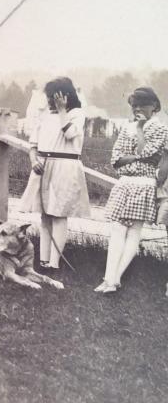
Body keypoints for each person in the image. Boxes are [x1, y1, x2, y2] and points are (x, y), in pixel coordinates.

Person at [94, 87, 168, 294]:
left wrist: (141, 130)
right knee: (117, 228)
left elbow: (149, 154)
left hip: (144, 183)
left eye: (142, 104)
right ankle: (110, 278)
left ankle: (113, 279)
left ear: (154, 106)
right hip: (125, 182)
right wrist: (136, 157)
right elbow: (116, 159)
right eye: (134, 105)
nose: (137, 109)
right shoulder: (127, 127)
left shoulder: (160, 128)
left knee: (133, 230)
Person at [20, 77, 90, 270]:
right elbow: (33, 146)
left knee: (59, 214)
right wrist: (34, 161)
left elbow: (69, 134)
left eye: (54, 96)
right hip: (43, 166)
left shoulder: (76, 114)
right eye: (49, 97)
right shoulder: (45, 118)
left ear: (65, 96)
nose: (50, 100)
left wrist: (61, 111)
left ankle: (54, 262)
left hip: (64, 166)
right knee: (45, 215)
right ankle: (43, 260)